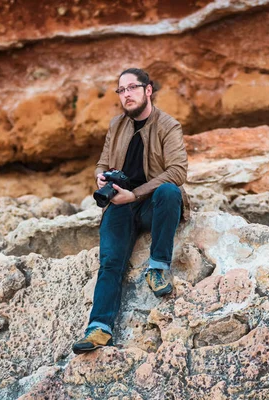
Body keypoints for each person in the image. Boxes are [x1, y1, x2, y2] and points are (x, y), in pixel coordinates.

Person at [72, 68, 189, 354]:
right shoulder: (116, 125)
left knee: (169, 191)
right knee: (111, 263)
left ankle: (158, 268)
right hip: (119, 204)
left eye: (132, 88)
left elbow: (178, 171)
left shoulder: (168, 125)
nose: (126, 94)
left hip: (150, 203)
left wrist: (134, 194)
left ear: (148, 90)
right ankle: (99, 328)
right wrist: (101, 176)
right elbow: (102, 162)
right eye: (121, 90)